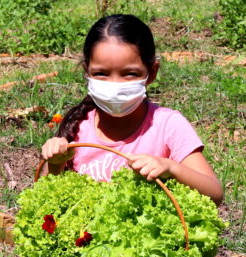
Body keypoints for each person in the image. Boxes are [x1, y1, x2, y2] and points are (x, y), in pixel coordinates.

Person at [40, 14, 224, 205]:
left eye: (130, 74)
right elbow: (44, 199)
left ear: (151, 72)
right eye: (101, 73)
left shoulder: (168, 125)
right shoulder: (79, 126)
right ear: (87, 72)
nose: (115, 85)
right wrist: (55, 163)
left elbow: (215, 194)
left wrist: (172, 168)